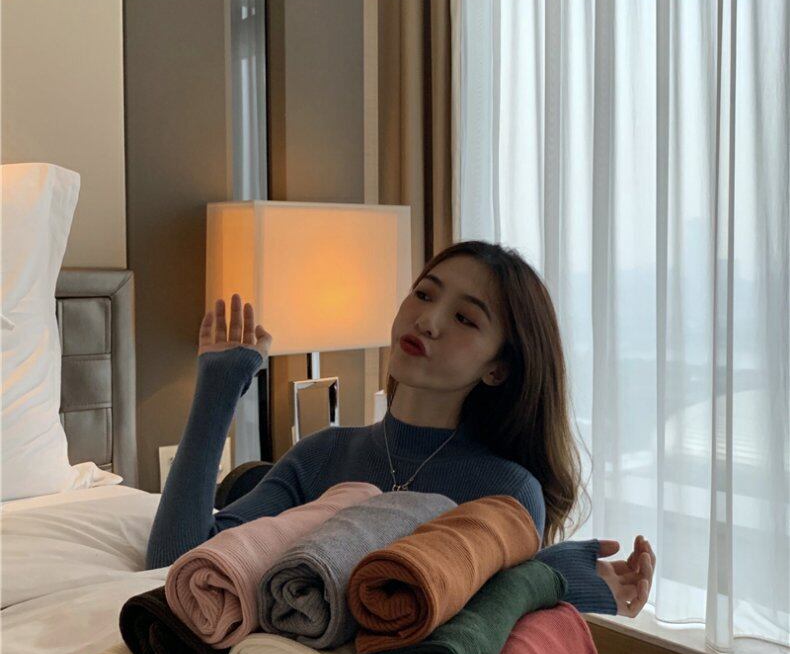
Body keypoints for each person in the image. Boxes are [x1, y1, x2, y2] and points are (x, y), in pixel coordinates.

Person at [146, 240, 655, 617]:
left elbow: (479, 620)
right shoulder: (322, 454)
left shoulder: (506, 491)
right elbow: (176, 564)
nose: (428, 321)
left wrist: (553, 579)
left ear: (497, 369)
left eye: (465, 318)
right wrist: (218, 390)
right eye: (424, 294)